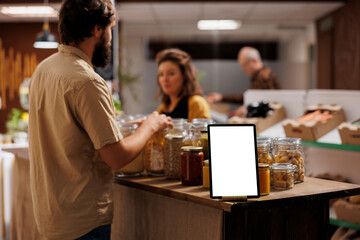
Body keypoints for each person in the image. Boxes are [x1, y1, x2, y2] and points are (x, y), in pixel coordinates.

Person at [28, 1, 172, 239]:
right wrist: (150, 126)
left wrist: (126, 128)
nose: (110, 37)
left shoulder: (44, 69)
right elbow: (117, 158)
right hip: (83, 220)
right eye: (111, 29)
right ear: (97, 29)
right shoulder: (88, 81)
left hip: (51, 216)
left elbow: (72, 132)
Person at [207, 46, 280, 116]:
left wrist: (248, 108)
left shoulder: (265, 77)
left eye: (245, 65)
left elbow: (271, 102)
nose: (243, 69)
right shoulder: (259, 76)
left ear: (254, 61)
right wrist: (221, 97)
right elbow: (248, 96)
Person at [156, 48, 211, 122]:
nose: (164, 79)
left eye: (171, 73)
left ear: (184, 76)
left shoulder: (196, 103)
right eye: (161, 74)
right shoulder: (162, 108)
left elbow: (203, 132)